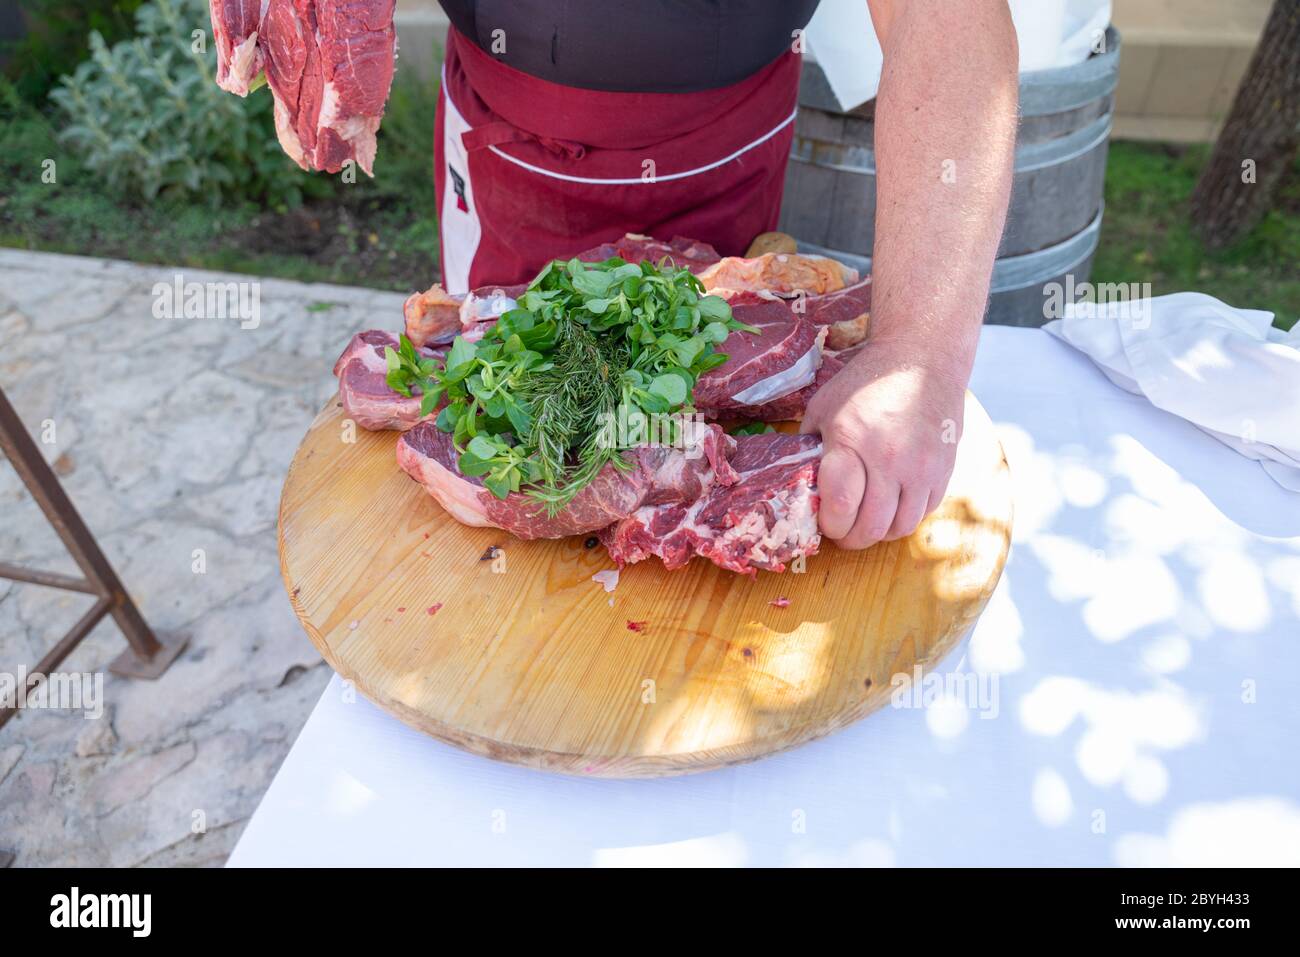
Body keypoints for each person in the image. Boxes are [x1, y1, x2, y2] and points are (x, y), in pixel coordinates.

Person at [433, 0, 1019, 550]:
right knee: (494, 390)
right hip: (508, 152)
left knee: (732, 386)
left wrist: (919, 355)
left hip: (727, 148)